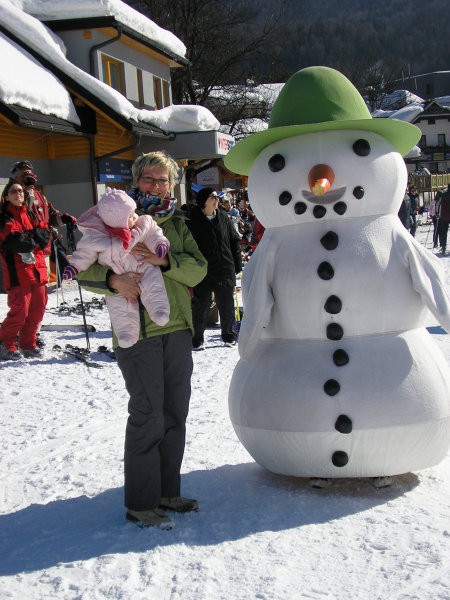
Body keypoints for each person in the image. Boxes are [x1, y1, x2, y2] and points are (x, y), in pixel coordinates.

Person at [76, 151, 207, 528]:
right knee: (148, 414)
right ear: (136, 182)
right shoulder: (109, 221)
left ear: (172, 185)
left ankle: (168, 491)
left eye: (163, 180)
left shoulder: (177, 223)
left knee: (174, 414)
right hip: (137, 333)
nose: (155, 185)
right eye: (149, 178)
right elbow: (83, 266)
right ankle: (141, 502)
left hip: (177, 328)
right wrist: (112, 281)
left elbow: (198, 270)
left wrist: (165, 262)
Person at [63, 187, 171, 348]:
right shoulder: (96, 236)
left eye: (133, 212)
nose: (134, 217)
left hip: (143, 266)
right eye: (129, 216)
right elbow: (85, 253)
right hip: (117, 275)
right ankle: (126, 332)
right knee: (119, 305)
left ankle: (159, 310)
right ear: (116, 220)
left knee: (153, 283)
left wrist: (160, 245)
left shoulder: (141, 223)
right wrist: (74, 267)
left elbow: (154, 233)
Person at [187, 186, 242, 349]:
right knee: (200, 306)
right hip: (202, 271)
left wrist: (237, 263)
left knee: (226, 305)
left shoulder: (224, 217)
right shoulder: (192, 220)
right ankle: (196, 338)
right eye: (213, 197)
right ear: (203, 201)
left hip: (224, 268)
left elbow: (234, 240)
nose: (217, 199)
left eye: (217, 197)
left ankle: (229, 335)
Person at [0, 180, 50, 360]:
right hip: (18, 275)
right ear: (6, 196)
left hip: (38, 271)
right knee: (19, 313)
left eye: (20, 190)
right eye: (13, 191)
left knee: (37, 310)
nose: (17, 193)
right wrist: (32, 237)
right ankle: (5, 344)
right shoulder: (4, 217)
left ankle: (28, 344)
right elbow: (13, 240)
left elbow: (45, 235)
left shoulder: (31, 213)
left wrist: (30, 239)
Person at [437, 184, 450, 255]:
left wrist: (437, 213)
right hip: (445, 215)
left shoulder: (443, 195)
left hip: (444, 216)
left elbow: (438, 204)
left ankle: (443, 246)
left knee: (443, 232)